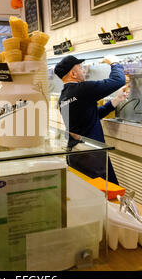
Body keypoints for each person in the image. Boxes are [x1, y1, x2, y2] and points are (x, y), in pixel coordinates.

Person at [54, 55, 128, 184]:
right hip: (91, 154)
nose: (84, 71)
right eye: (81, 68)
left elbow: (89, 116)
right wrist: (115, 62)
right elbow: (118, 80)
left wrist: (115, 101)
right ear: (73, 73)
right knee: (107, 191)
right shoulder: (82, 89)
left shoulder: (64, 97)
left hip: (75, 153)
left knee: (87, 191)